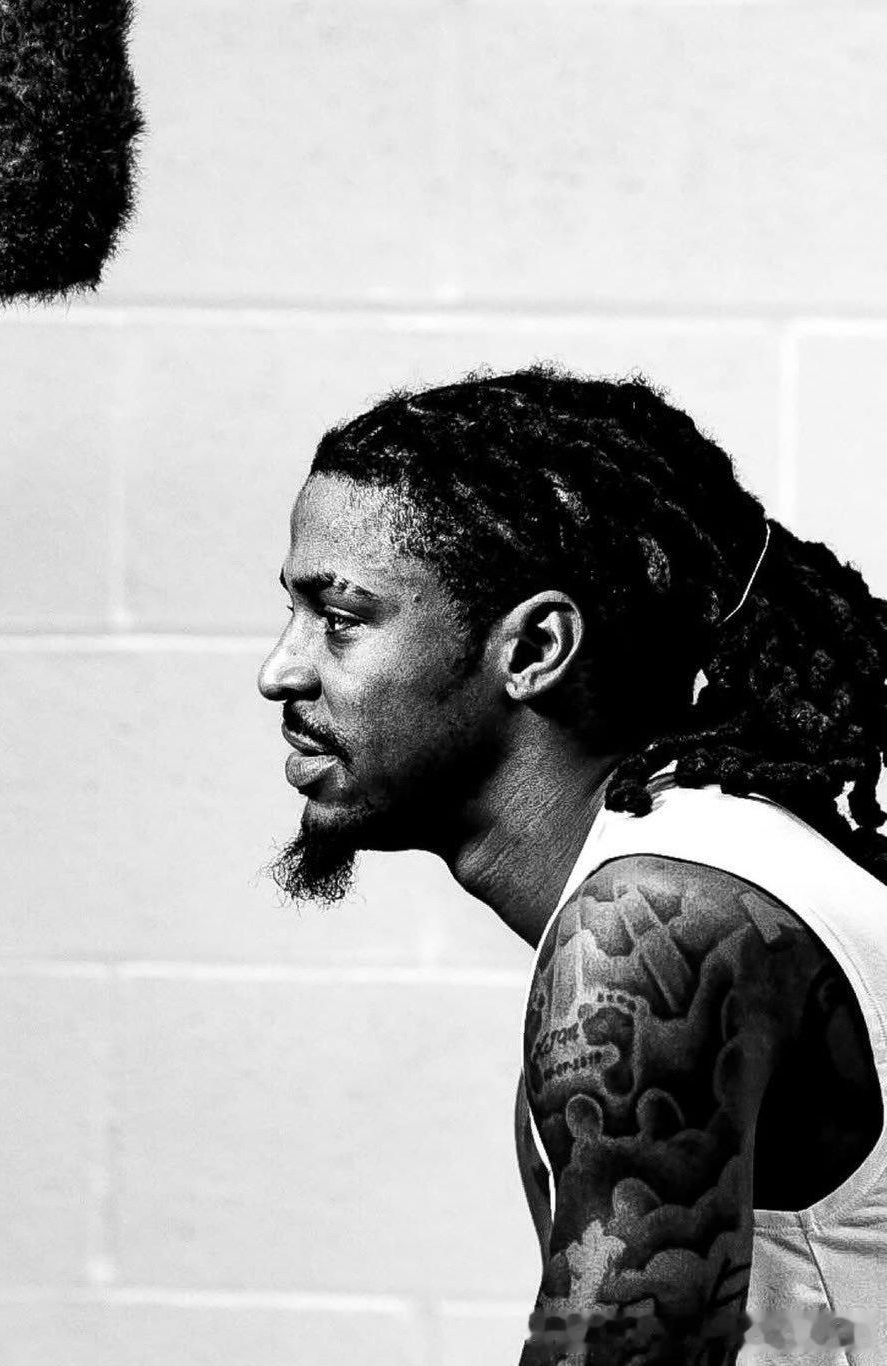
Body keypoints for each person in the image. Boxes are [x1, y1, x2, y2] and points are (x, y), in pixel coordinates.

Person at [257, 366, 887, 1365]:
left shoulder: (652, 925)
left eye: (341, 617)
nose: (280, 670)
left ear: (535, 647)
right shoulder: (709, 867)